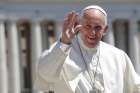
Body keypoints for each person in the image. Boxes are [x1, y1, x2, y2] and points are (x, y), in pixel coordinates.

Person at [34, 5, 140, 93]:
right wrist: (64, 42)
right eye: (87, 26)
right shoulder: (62, 50)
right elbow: (45, 74)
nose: (92, 33)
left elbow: (136, 86)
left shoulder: (118, 56)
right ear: (79, 26)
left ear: (105, 29)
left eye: (97, 27)